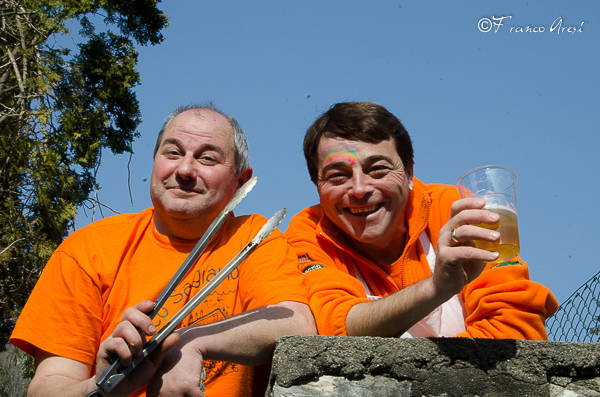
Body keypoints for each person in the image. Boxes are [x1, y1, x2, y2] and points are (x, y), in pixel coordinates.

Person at [10, 105, 316, 396]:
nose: (184, 169)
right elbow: (47, 387)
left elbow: (295, 323)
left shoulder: (253, 238)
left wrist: (189, 341)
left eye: (207, 159)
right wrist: (104, 388)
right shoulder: (88, 249)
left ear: (240, 181)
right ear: (155, 160)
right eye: (173, 152)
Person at [285, 101, 558, 340]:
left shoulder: (452, 210)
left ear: (409, 173)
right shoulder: (307, 232)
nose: (359, 189)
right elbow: (334, 329)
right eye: (337, 175)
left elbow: (516, 326)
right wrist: (436, 288)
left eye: (378, 169)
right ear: (317, 186)